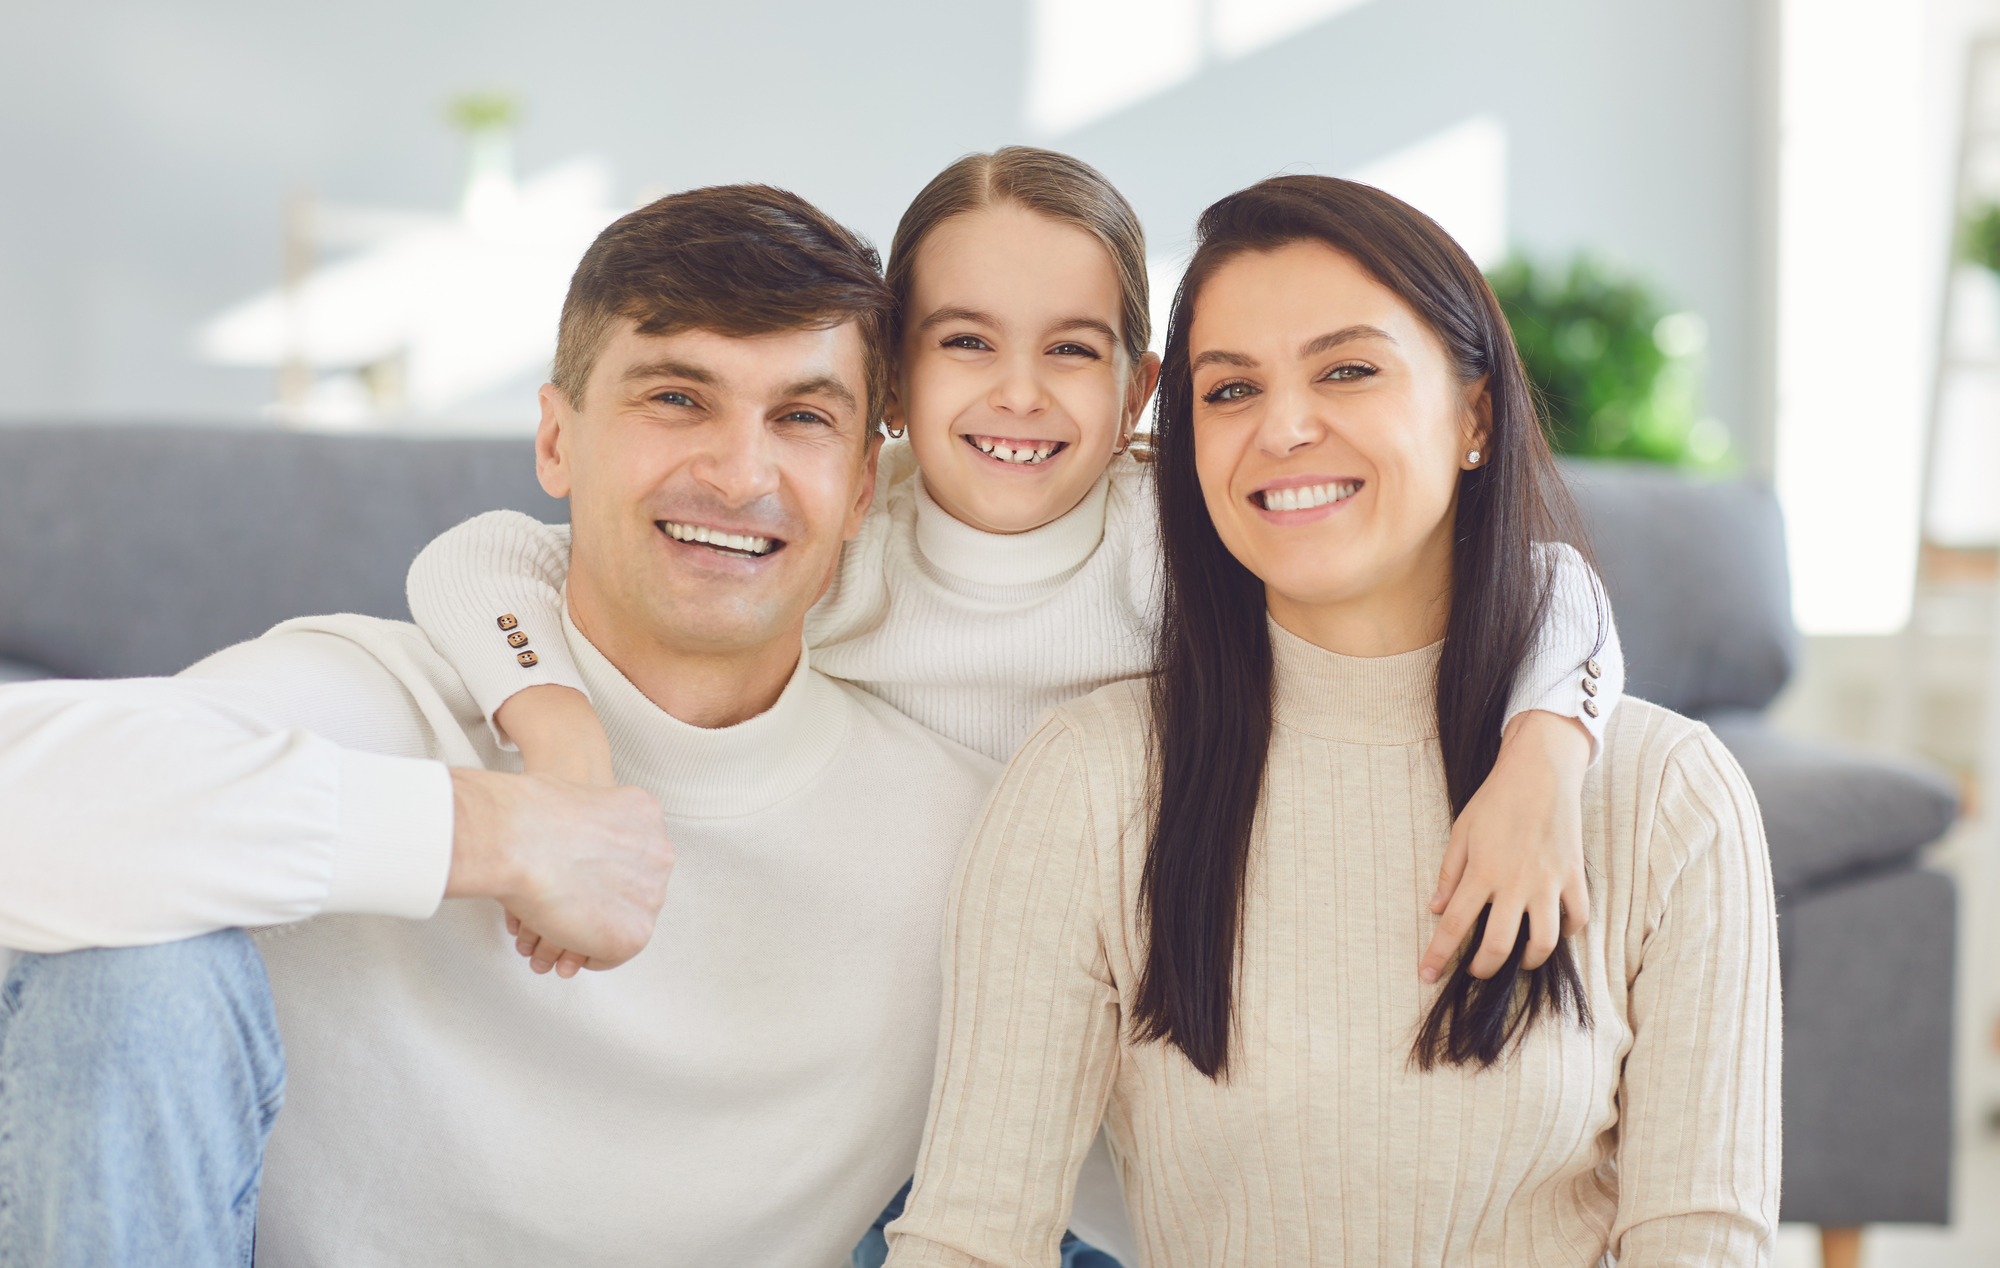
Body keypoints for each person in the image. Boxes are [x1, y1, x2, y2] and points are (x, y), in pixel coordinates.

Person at [403, 148, 1630, 1265]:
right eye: (966, 343)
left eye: (1071, 349)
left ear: (1141, 384)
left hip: (1128, 1164)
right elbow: (486, 556)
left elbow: (1540, 578)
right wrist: (557, 738)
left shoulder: (1182, 549)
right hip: (874, 1127)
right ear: (890, 377)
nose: (1019, 395)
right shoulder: (838, 547)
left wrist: (1543, 758)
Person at [0, 185, 1000, 1267]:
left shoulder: (961, 838)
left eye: (801, 418)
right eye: (675, 397)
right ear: (555, 441)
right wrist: (494, 831)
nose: (738, 472)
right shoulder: (381, 701)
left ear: (862, 486)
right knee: (128, 968)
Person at [881, 176, 1781, 1266]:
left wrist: (1542, 753)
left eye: (1346, 370)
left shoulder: (1663, 795)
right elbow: (971, 1238)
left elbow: (1701, 1244)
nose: (1284, 427)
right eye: (1229, 391)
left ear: (1473, 416)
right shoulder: (1091, 779)